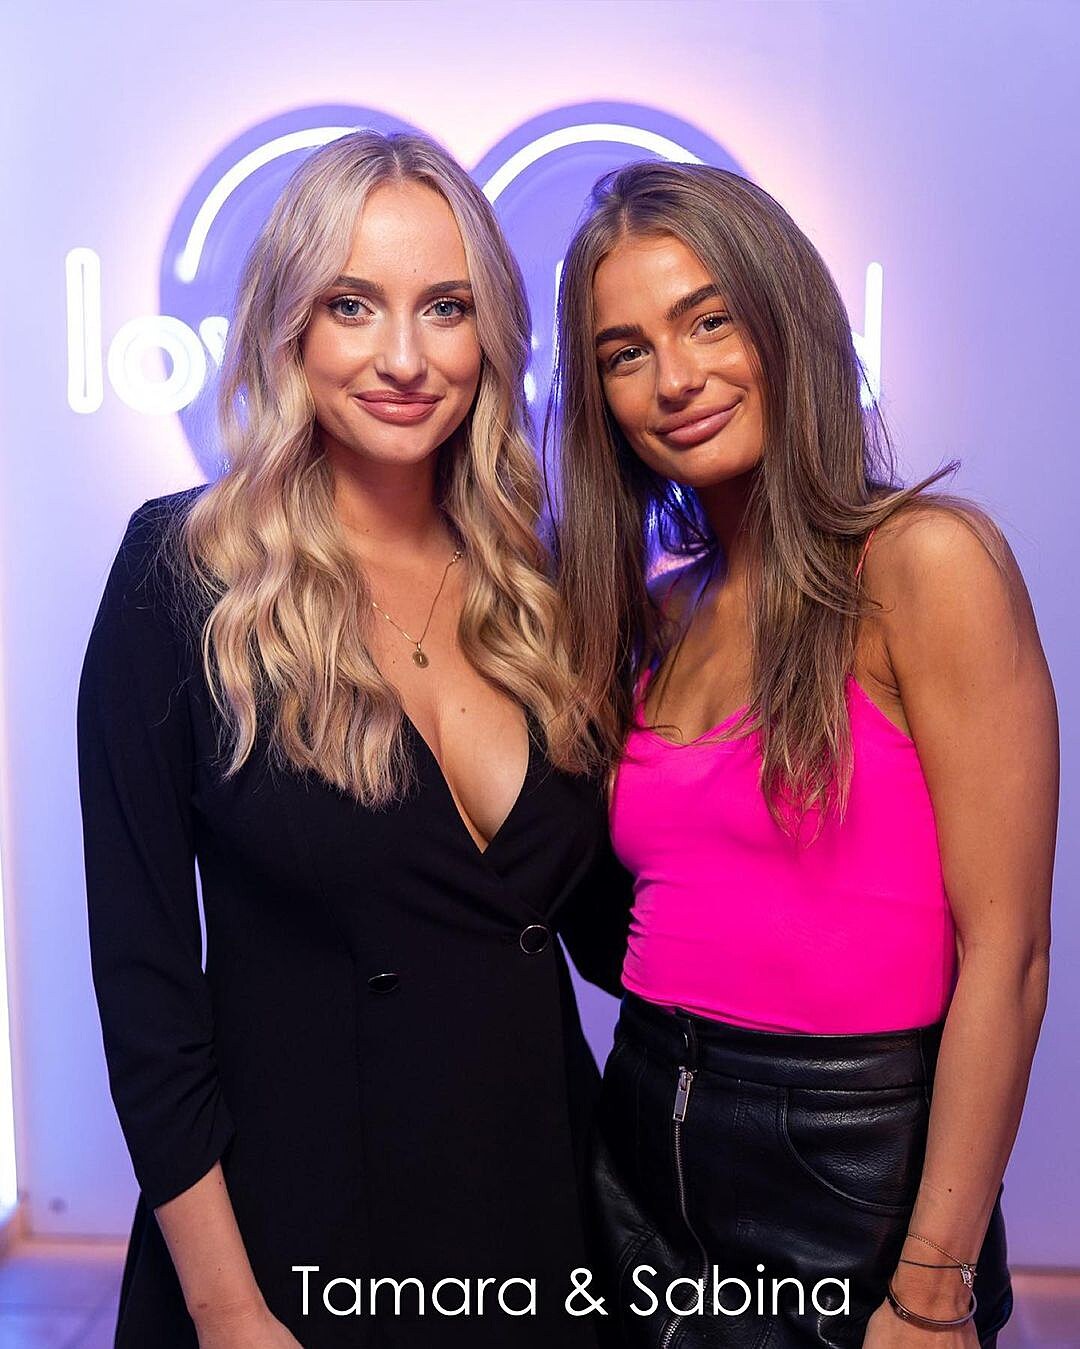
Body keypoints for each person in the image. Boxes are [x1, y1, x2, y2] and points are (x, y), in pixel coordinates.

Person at [77, 130, 624, 1349]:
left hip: (532, 1220)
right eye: (352, 304)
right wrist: (228, 1310)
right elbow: (146, 990)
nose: (404, 357)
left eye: (446, 307)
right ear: (289, 326)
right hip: (293, 1238)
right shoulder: (183, 576)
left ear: (490, 335)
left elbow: (615, 929)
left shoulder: (540, 589)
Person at [552, 161, 1057, 1348]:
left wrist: (931, 1285)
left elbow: (1011, 954)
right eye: (625, 352)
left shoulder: (926, 564)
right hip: (638, 1152)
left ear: (788, 318)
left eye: (709, 320)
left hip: (850, 1178)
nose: (675, 379)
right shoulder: (660, 612)